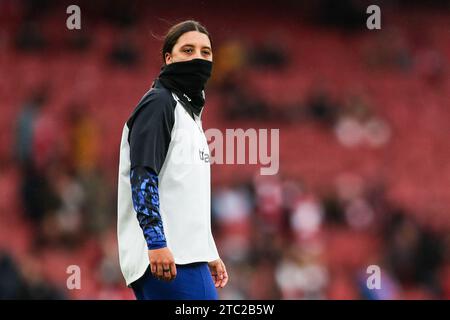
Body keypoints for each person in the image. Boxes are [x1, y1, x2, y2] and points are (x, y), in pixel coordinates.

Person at [117, 20, 228, 300]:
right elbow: (143, 175)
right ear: (169, 58)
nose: (198, 58)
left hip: (188, 257)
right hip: (170, 259)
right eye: (188, 50)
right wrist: (156, 243)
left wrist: (208, 250)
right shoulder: (160, 103)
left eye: (206, 52)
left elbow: (185, 193)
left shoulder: (189, 114)